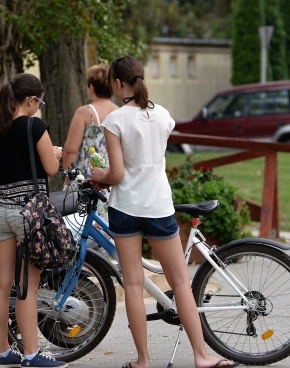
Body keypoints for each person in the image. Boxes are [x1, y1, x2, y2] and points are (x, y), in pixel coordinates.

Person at [89, 56, 238, 368]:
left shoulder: (115, 121)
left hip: (125, 209)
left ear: (117, 84)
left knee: (132, 283)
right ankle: (201, 356)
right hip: (158, 205)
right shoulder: (164, 116)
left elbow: (116, 174)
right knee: (181, 282)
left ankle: (143, 360)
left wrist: (97, 175)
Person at [0, 73, 66, 368]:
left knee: (1, 285)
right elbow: (52, 169)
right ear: (30, 100)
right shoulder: (34, 127)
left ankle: (3, 352)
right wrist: (55, 152)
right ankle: (31, 354)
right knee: (27, 285)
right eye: (38, 102)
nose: (38, 107)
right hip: (29, 214)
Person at [62, 64, 118, 175]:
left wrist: (69, 176)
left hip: (89, 177)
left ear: (91, 87)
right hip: (113, 175)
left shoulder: (85, 112)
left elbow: (70, 150)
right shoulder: (119, 112)